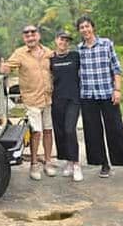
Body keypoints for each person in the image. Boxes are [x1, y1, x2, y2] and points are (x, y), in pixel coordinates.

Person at [76, 16, 123, 179]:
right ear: (79, 31)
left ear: (93, 27)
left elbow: (116, 68)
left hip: (107, 94)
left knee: (116, 130)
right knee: (93, 132)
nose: (85, 30)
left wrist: (117, 90)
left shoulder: (106, 44)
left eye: (87, 26)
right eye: (81, 28)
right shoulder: (79, 50)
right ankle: (104, 164)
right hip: (88, 96)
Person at [0, 25, 57, 180]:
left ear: (38, 35)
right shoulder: (19, 53)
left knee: (48, 130)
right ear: (24, 38)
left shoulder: (48, 52)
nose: (30, 37)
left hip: (48, 98)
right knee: (36, 132)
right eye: (27, 35)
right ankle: (33, 164)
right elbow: (7, 68)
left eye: (33, 34)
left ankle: (48, 162)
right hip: (31, 99)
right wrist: (3, 68)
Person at [49, 31, 83, 182]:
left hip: (73, 99)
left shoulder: (75, 56)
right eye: (62, 39)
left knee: (70, 130)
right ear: (56, 40)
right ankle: (68, 162)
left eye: (67, 40)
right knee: (61, 132)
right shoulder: (51, 58)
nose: (64, 42)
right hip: (56, 100)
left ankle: (76, 164)